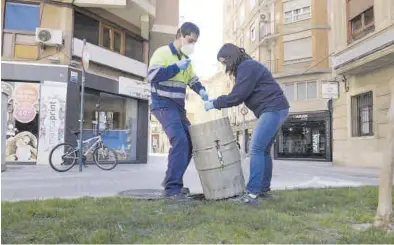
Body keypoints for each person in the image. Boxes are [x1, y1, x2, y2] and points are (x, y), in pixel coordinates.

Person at [204, 43, 290, 205]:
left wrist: (214, 103)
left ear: (231, 58)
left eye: (224, 61)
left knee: (255, 148)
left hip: (273, 109)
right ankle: (263, 190)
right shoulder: (247, 67)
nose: (224, 65)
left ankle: (252, 194)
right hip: (277, 108)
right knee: (263, 150)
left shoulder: (247, 67)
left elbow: (237, 96)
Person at [148, 22, 209, 201]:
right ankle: (172, 189)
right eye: (190, 40)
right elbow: (153, 76)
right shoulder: (162, 53)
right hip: (163, 104)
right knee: (180, 140)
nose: (192, 45)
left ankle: (172, 182)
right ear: (180, 34)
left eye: (195, 42)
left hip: (178, 108)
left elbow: (192, 79)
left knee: (190, 142)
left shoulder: (186, 60)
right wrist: (176, 67)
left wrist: (202, 90)